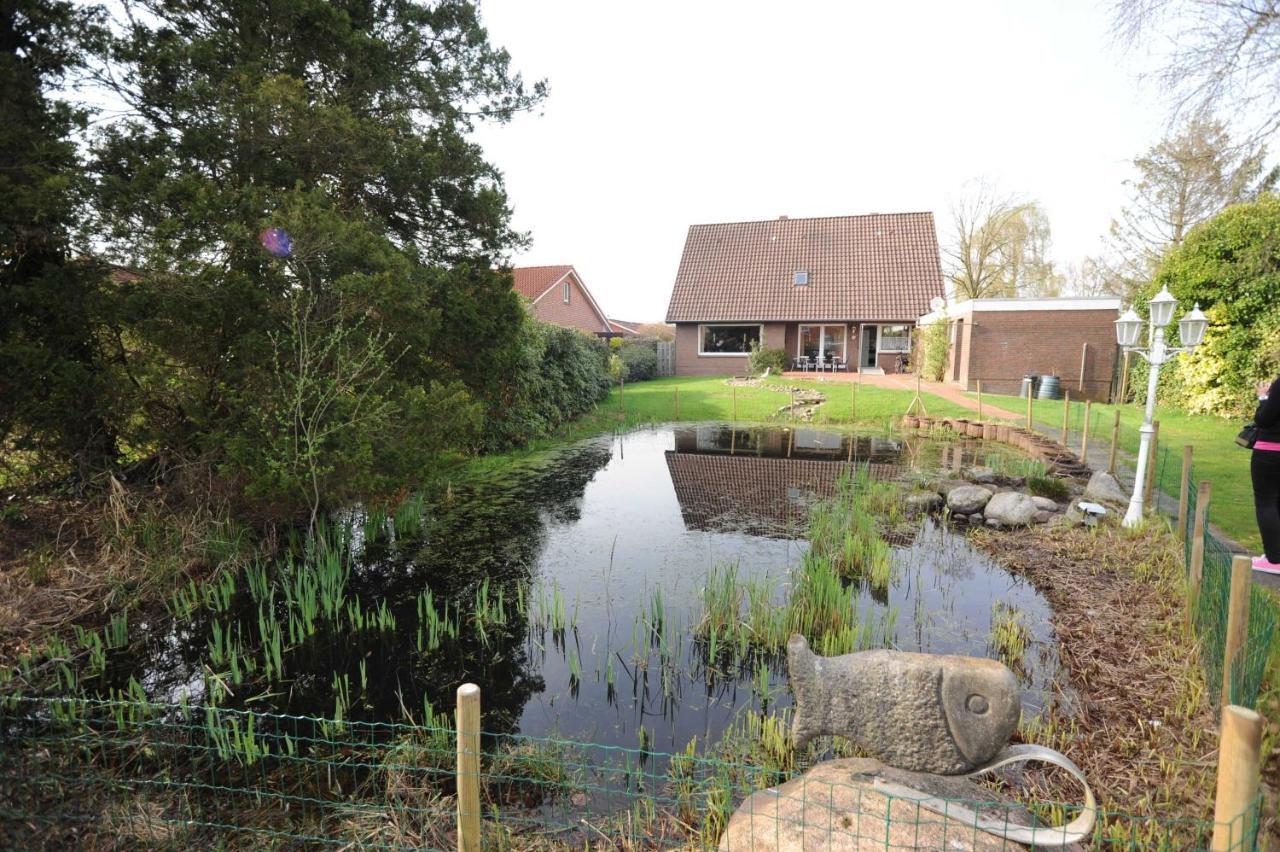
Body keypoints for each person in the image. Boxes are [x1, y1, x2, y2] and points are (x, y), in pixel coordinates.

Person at [1252, 375, 1280, 574]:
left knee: (1266, 503)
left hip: (1270, 450)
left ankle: (1274, 560)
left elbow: (1264, 419)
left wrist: (1263, 398)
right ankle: (1275, 553)